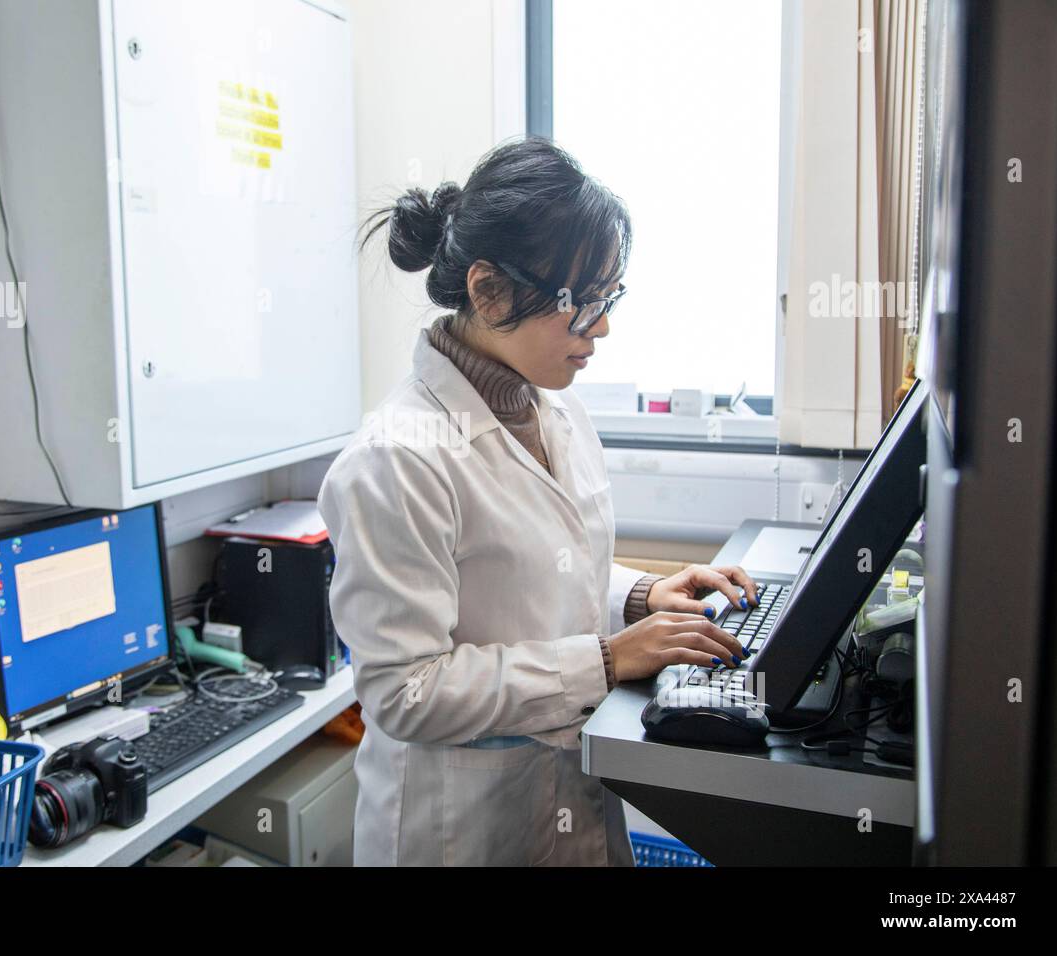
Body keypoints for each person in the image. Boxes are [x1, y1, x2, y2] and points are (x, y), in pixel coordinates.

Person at [318, 138, 758, 866]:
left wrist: (641, 597)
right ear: (489, 292)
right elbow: (405, 692)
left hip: (564, 798)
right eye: (581, 303)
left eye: (608, 298)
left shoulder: (553, 408)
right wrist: (608, 663)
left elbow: (539, 569)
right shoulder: (395, 458)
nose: (603, 327)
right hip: (459, 829)